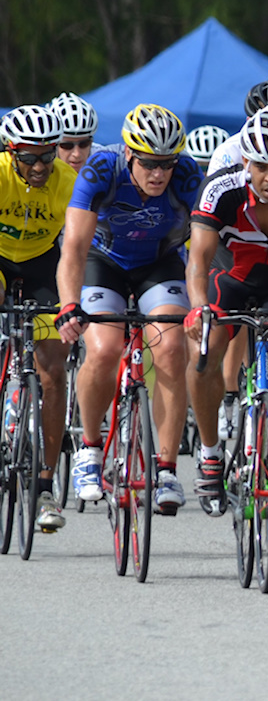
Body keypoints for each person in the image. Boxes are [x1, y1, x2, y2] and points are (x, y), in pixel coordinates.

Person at [57, 104, 198, 518]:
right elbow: (74, 248)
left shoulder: (188, 176)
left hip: (159, 263)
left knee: (171, 347)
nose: (159, 174)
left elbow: (201, 249)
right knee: (103, 348)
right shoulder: (101, 170)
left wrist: (200, 305)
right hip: (105, 262)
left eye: (167, 164)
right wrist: (69, 305)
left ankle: (167, 469)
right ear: (130, 156)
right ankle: (90, 449)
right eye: (150, 164)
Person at [186, 106, 268, 517]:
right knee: (206, 350)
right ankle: (209, 453)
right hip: (231, 279)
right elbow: (199, 261)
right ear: (246, 161)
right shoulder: (221, 190)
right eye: (261, 166)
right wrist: (197, 309)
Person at [0, 105, 75, 530]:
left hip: (43, 266)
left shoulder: (68, 181)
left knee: (52, 370)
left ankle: (45, 484)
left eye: (47, 154)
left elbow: (83, 241)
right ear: (11, 154)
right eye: (29, 157)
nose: (40, 165)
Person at [48, 93, 100, 174]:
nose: (77, 154)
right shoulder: (42, 168)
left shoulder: (103, 160)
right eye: (67, 146)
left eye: (84, 144)